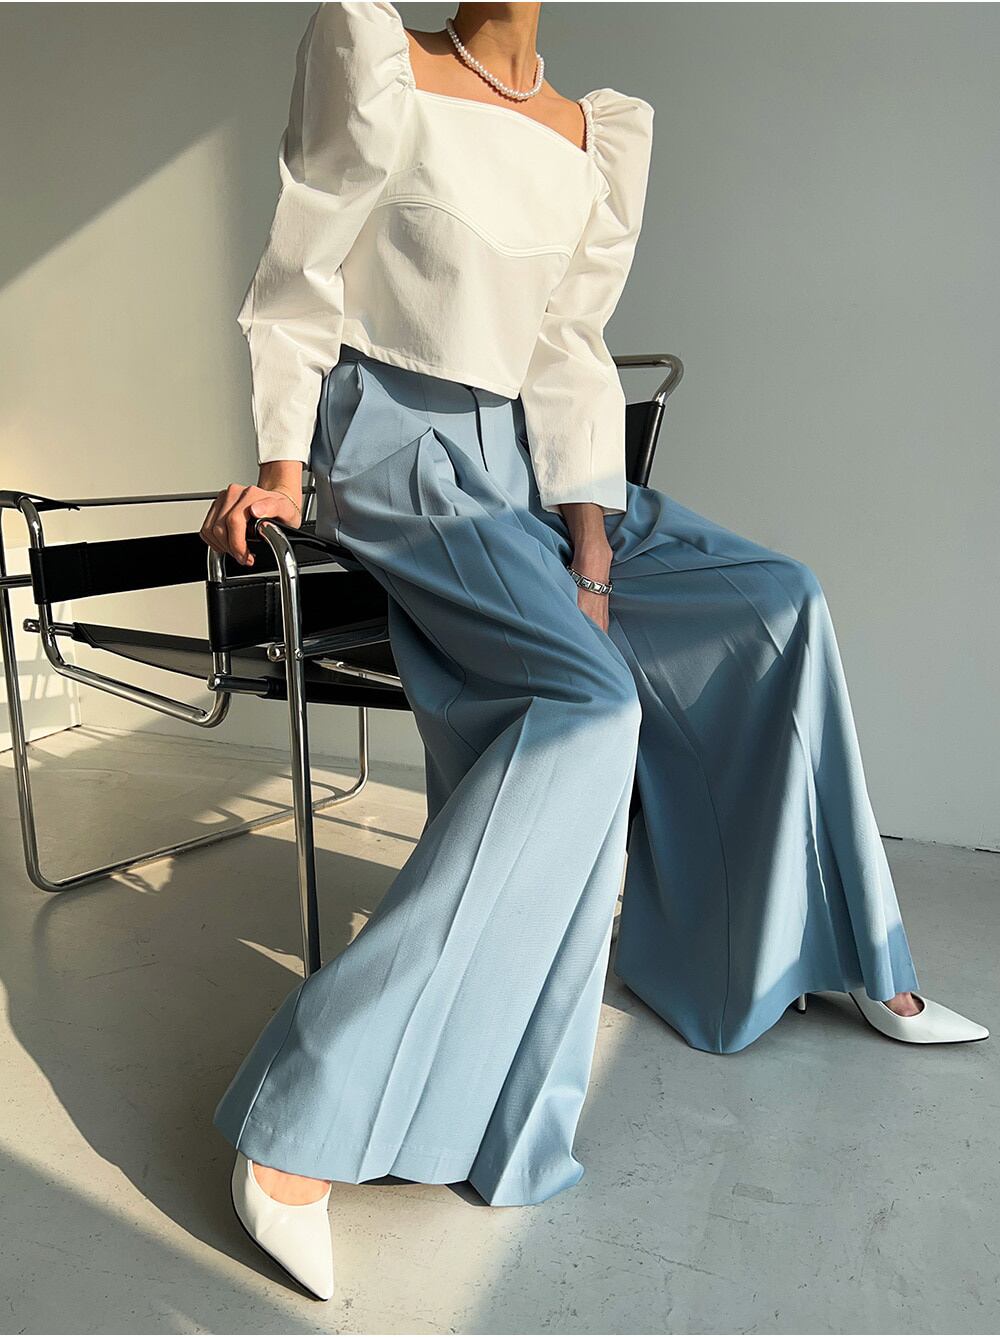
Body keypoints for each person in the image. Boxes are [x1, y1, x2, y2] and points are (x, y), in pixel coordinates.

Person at [200, 1, 987, 1301]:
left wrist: (594, 555)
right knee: (589, 704)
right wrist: (283, 466)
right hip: (396, 452)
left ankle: (843, 953)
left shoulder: (594, 133)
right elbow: (300, 274)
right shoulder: (377, 55)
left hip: (528, 464)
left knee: (776, 599)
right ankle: (304, 1117)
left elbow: (567, 352)